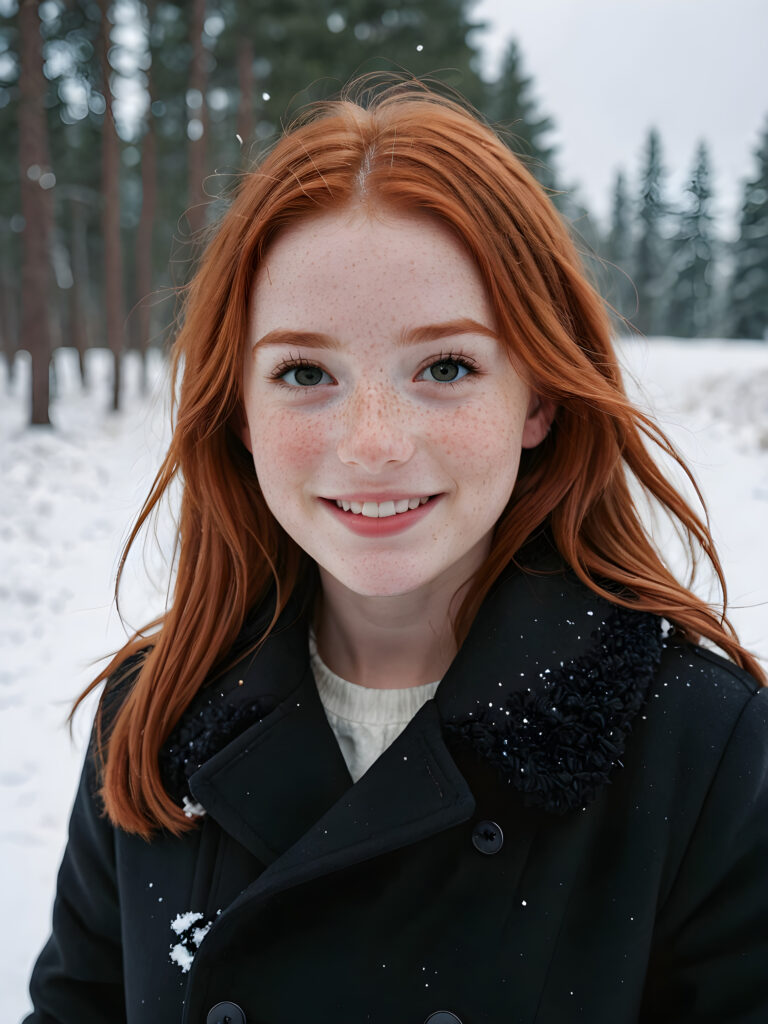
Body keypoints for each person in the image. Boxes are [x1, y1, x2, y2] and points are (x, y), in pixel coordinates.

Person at [25, 79, 767, 1024]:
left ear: (537, 397)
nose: (373, 443)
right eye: (304, 372)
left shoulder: (702, 750)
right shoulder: (155, 716)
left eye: (446, 367)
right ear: (240, 412)